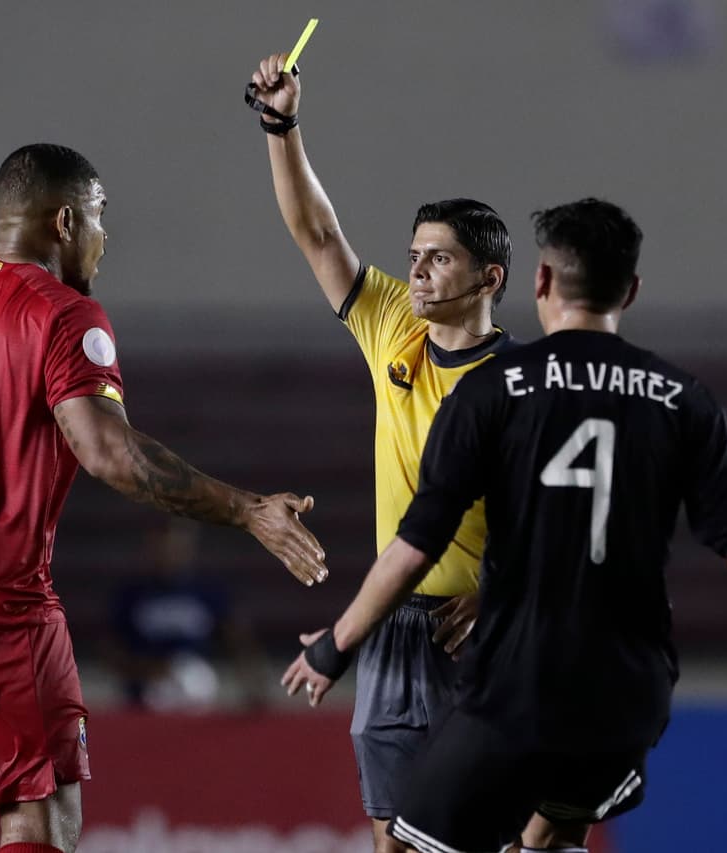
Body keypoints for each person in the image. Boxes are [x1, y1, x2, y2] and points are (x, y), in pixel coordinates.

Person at [0, 143, 328, 853]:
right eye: (102, 216)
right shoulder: (64, 315)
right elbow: (110, 454)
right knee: (41, 816)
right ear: (66, 220)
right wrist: (247, 508)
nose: (107, 237)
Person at [282, 198, 727, 853]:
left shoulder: (499, 389)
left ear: (540, 283)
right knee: (550, 838)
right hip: (629, 690)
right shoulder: (684, 398)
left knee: (411, 844)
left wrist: (335, 645)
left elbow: (415, 547)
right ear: (631, 290)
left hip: (518, 679)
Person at [248, 53, 518, 850]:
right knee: (395, 840)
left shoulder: (522, 381)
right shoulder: (394, 326)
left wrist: (504, 589)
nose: (418, 268)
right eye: (414, 253)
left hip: (485, 632)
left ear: (489, 275)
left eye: (440, 257)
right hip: (395, 626)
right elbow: (317, 231)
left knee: (490, 836)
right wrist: (280, 125)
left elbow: (559, 512)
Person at [105, 518, 269, 710]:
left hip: (195, 684)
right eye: (162, 546)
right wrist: (145, 670)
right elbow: (111, 650)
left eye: (175, 546)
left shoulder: (206, 591)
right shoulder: (132, 594)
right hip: (145, 692)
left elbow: (239, 640)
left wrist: (254, 686)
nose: (168, 553)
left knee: (192, 680)